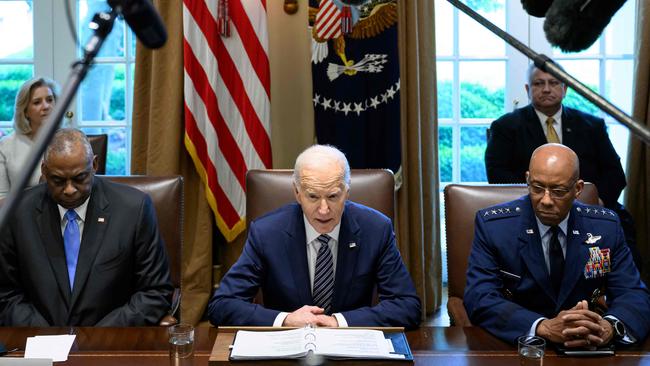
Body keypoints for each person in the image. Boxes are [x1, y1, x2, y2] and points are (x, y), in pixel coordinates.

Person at [208, 145, 421, 328]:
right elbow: (222, 305)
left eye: (333, 196)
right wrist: (286, 319)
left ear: (347, 192)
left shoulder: (376, 229)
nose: (323, 210)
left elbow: (407, 307)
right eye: (312, 196)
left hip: (352, 352)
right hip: (287, 350)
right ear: (297, 193)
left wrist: (340, 321)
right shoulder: (267, 233)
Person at [465, 144, 650, 346]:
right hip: (523, 344)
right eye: (536, 187)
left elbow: (632, 292)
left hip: (588, 345)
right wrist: (542, 326)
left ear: (578, 189)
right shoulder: (495, 227)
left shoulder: (605, 227)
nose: (545, 200)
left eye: (558, 191)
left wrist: (608, 327)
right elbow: (480, 296)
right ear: (527, 179)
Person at [0, 128, 173, 326]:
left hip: (110, 342)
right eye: (58, 180)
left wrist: (97, 336)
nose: (69, 189)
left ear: (95, 165)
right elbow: (5, 293)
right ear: (44, 171)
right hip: (38, 343)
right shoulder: (17, 213)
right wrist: (46, 335)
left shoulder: (134, 209)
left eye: (79, 178)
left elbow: (155, 291)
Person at [484, 63, 641, 271]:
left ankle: (611, 296)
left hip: (591, 209)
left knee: (623, 240)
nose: (546, 89)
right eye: (539, 83)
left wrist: (595, 202)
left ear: (565, 88)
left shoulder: (592, 125)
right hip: (537, 209)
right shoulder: (506, 127)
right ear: (527, 89)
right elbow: (497, 175)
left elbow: (614, 172)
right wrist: (540, 199)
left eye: (554, 82)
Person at [0, 77, 59, 198]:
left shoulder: (69, 141)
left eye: (49, 100)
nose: (46, 106)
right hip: (19, 214)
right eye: (37, 102)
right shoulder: (6, 145)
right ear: (25, 111)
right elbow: (2, 198)